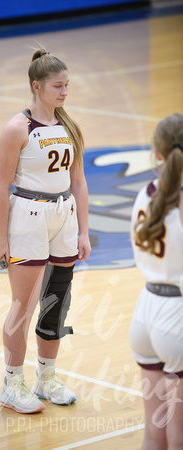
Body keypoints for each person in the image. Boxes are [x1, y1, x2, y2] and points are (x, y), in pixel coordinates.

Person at [0, 47, 91, 414]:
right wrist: (0, 237)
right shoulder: (17, 128)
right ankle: (12, 383)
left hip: (63, 215)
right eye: (58, 86)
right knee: (24, 304)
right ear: (37, 86)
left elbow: (78, 181)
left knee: (56, 303)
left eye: (67, 85)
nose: (65, 92)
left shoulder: (69, 127)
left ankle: (46, 377)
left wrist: (83, 231)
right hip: (27, 216)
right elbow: (1, 187)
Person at [130, 113, 183, 448]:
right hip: (177, 316)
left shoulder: (144, 195)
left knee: (154, 434)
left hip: (145, 312)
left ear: (157, 154)